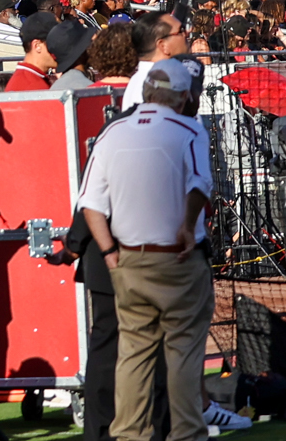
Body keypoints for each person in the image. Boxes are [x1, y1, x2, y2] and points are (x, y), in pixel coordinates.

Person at [76, 61, 213, 441]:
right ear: (185, 96)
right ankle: (185, 433)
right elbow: (200, 184)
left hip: (128, 258)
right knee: (183, 351)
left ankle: (129, 434)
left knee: (133, 354)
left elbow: (90, 203)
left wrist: (108, 253)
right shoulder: (189, 130)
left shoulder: (113, 131)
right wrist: (187, 225)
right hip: (178, 258)